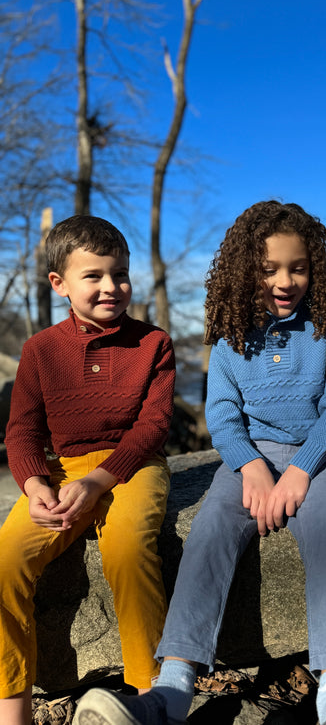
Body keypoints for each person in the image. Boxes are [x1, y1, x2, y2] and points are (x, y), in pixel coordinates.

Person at [74, 201, 326, 725]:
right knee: (210, 528)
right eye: (269, 269)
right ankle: (173, 689)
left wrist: (300, 471)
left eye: (297, 267)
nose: (285, 280)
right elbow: (222, 415)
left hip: (312, 465)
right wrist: (250, 467)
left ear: (315, 269)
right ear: (244, 272)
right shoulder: (229, 338)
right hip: (246, 462)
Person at [0, 215, 176, 725]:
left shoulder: (153, 344)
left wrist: (101, 480)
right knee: (7, 560)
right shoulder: (40, 351)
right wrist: (35, 485)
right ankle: (13, 708)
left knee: (127, 548)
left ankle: (152, 697)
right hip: (62, 470)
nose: (111, 287)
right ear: (59, 284)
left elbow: (154, 425)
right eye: (94, 276)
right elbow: (22, 432)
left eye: (119, 274)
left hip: (135, 464)